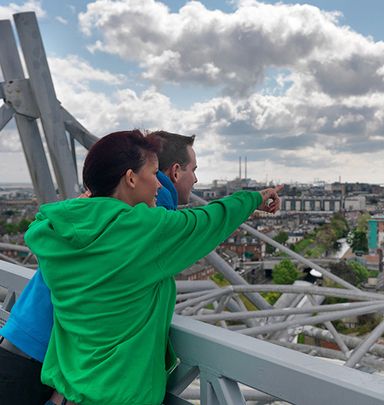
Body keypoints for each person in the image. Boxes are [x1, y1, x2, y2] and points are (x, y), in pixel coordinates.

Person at [7, 130, 281, 405]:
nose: (159, 185)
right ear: (131, 178)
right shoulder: (145, 231)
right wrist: (256, 197)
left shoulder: (55, 230)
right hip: (115, 396)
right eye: (153, 174)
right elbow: (209, 221)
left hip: (65, 392)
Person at [0, 130, 201, 405]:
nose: (197, 180)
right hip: (46, 352)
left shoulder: (98, 199)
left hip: (21, 337)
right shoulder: (154, 203)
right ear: (175, 171)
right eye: (193, 170)